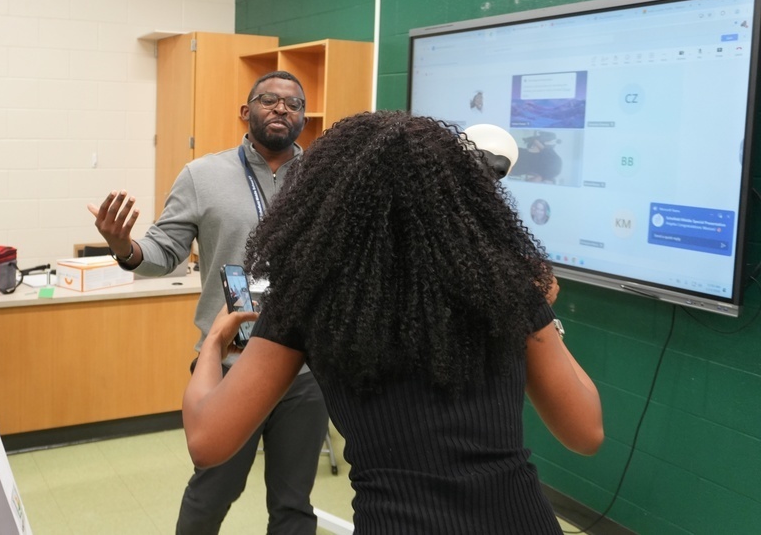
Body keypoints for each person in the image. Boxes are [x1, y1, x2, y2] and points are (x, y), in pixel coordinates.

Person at [183, 111, 604, 534]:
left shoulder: (307, 298)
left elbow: (207, 442)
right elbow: (585, 432)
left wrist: (216, 343)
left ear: (325, 198)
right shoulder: (505, 286)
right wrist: (541, 318)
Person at [89, 70, 330, 534]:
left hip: (305, 370)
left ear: (304, 117)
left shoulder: (325, 180)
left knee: (294, 503)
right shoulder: (203, 175)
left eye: (293, 104)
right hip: (232, 362)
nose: (282, 109)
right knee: (211, 493)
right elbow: (163, 252)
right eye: (268, 99)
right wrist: (124, 248)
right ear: (246, 112)